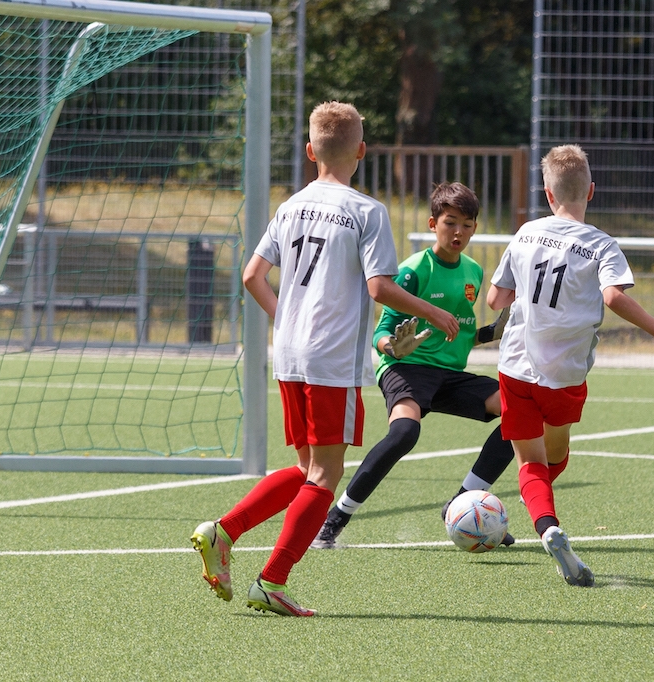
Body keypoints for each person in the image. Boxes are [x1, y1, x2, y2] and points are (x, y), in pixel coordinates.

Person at [190, 101, 459, 617]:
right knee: (324, 476)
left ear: (310, 151)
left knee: (305, 466)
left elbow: (252, 276)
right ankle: (272, 579)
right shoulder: (366, 211)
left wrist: (288, 321)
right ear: (362, 151)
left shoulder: (290, 206)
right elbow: (379, 287)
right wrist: (434, 312)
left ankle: (224, 532)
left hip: (290, 351)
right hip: (331, 359)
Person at [487, 144, 654, 587]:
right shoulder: (601, 244)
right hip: (565, 374)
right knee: (553, 457)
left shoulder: (525, 233)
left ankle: (545, 522)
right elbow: (613, 296)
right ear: (591, 191)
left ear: (547, 193)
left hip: (515, 366)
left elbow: (495, 299)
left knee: (532, 464)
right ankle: (544, 516)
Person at [311, 181, 516, 549]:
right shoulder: (413, 270)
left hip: (449, 375)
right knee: (405, 433)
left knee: (519, 413)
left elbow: (460, 334)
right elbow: (381, 333)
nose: (458, 232)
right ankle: (335, 519)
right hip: (406, 369)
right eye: (450, 223)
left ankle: (460, 504)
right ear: (433, 223)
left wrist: (492, 332)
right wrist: (393, 347)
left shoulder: (473, 271)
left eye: (467, 225)